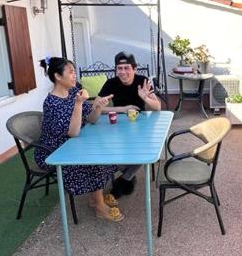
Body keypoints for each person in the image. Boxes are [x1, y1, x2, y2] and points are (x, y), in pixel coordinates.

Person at [35, 57, 124, 222]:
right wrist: (78, 105)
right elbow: (73, 132)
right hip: (55, 151)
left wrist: (98, 107)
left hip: (73, 145)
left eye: (74, 71)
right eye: (70, 72)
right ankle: (99, 206)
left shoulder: (72, 93)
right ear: (58, 76)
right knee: (93, 161)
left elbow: (90, 119)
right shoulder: (51, 103)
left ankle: (94, 198)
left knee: (105, 155)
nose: (74, 76)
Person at [98, 51, 161, 197]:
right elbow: (97, 107)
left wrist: (145, 98)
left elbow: (158, 107)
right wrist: (122, 109)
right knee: (108, 152)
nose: (123, 72)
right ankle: (129, 176)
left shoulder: (143, 81)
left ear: (134, 69)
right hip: (116, 128)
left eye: (127, 68)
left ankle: (124, 179)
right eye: (119, 68)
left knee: (145, 152)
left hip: (141, 127)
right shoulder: (111, 83)